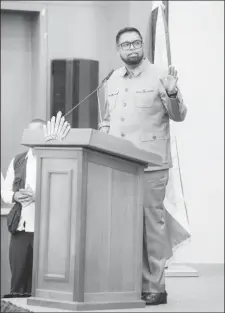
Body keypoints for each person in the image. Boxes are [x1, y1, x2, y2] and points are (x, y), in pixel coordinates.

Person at [99, 27, 187, 305]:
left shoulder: (161, 74)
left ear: (142, 45)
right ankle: (129, 283)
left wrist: (173, 93)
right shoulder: (111, 79)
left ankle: (155, 287)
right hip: (119, 164)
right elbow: (106, 120)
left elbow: (179, 115)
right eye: (126, 44)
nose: (132, 48)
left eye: (136, 42)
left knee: (152, 228)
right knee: (124, 227)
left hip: (151, 164)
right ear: (118, 50)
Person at [1, 118, 46, 298]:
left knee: (40, 285)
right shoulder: (18, 160)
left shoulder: (54, 158)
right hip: (20, 228)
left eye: (36, 132)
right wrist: (14, 196)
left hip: (45, 231)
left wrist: (37, 196)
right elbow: (4, 191)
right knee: (18, 282)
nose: (30, 136)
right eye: (29, 131)